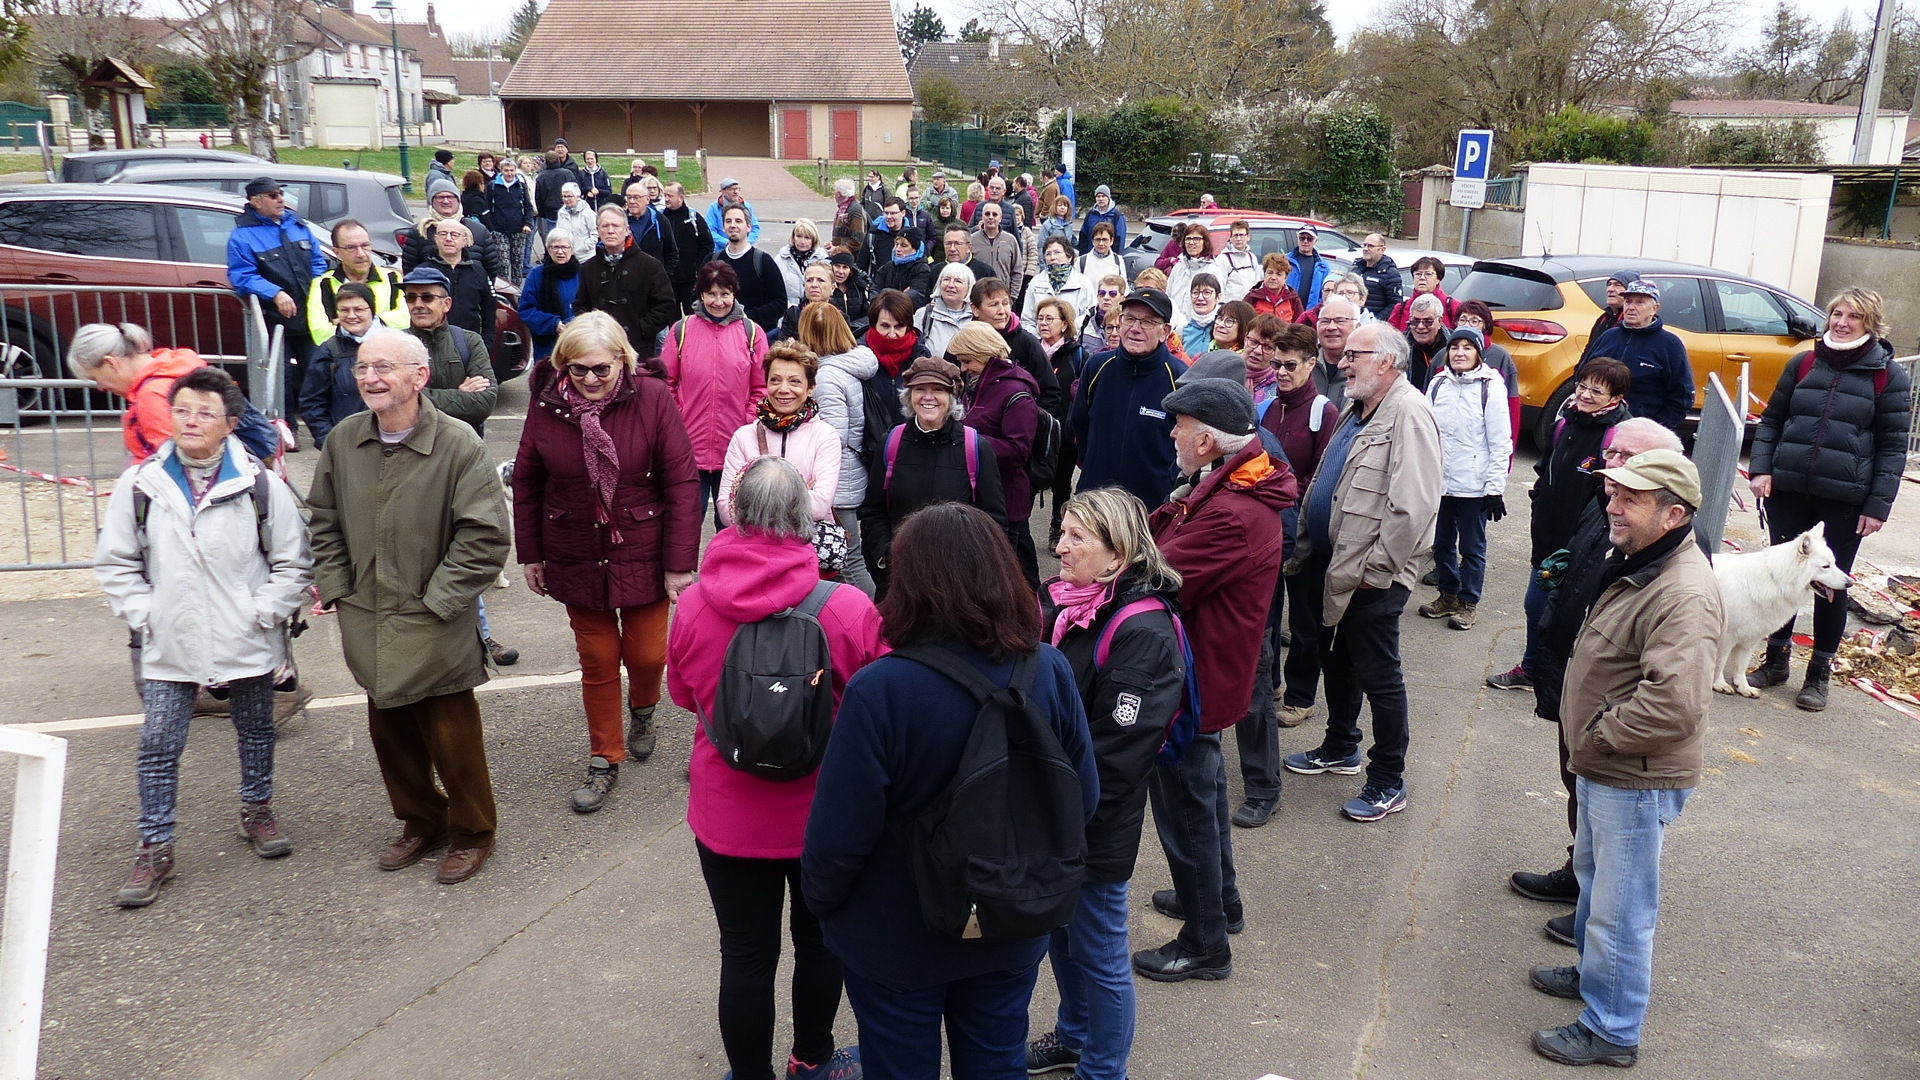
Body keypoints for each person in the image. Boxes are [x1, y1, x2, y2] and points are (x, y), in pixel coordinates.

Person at [801, 502, 1098, 1080]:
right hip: (1011, 915)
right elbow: (1082, 798)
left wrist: (826, 907)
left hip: (896, 935)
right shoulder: (1049, 671)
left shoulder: (880, 691)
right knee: (996, 1062)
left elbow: (839, 839)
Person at [668, 455, 880, 1080]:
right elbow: (874, 704)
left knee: (745, 955)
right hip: (823, 814)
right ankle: (810, 1058)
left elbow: (684, 696)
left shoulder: (694, 606)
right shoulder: (842, 607)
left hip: (728, 816)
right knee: (819, 943)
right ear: (804, 519)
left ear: (732, 511)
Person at [1529, 448, 1723, 1069]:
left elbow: (1674, 705)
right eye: (1612, 493)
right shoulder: (1641, 557)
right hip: (1607, 766)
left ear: (1673, 514)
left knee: (1621, 907)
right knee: (1593, 881)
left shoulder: (1684, 593)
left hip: (1631, 774)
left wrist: (1597, 735)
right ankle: (1594, 975)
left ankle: (1612, 1027)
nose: (1611, 506)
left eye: (1629, 499)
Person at [93, 366, 311, 907]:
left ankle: (256, 809)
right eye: (182, 409)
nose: (190, 421)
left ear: (230, 424)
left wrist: (264, 612)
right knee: (159, 744)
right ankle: (155, 844)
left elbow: (292, 560)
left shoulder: (260, 484)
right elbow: (117, 561)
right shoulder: (140, 483)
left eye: (204, 413)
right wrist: (145, 614)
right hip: (170, 640)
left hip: (247, 635)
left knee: (256, 728)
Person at [306, 328, 511, 885]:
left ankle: (472, 832)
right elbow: (322, 521)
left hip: (434, 615)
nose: (370, 378)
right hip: (368, 615)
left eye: (384, 368)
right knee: (389, 729)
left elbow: (486, 537)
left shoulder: (458, 444)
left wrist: (440, 600)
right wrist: (339, 589)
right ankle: (422, 821)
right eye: (363, 367)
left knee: (452, 731)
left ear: (419, 377)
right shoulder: (344, 441)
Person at [1137, 376, 1295, 981]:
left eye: (1179, 427)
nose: (1172, 435)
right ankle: (1216, 901)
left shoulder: (1232, 510)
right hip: (1203, 671)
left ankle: (1205, 941)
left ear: (1206, 441)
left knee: (1187, 806)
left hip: (1193, 677)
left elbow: (1159, 574)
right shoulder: (1224, 484)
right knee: (1199, 792)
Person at [1026, 488, 1186, 1080]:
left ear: (1118, 555)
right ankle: (1073, 1037)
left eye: (1075, 538)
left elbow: (1118, 756)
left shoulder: (1142, 631)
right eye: (1061, 532)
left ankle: (1102, 1070)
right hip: (1055, 809)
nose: (1059, 547)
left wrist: (1047, 798)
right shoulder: (1067, 604)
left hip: (1093, 820)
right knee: (1062, 939)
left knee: (1097, 951)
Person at [513, 312, 699, 811]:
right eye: (578, 370)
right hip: (573, 547)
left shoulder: (653, 397)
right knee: (597, 662)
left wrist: (679, 563)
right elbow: (528, 480)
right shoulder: (547, 403)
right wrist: (530, 553)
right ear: (562, 367)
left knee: (646, 655)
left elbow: (682, 481)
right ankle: (604, 758)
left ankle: (643, 709)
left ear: (622, 360)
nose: (590, 380)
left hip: (642, 542)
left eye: (601, 369)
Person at [1509, 419, 1683, 940]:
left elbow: (1672, 695)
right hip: (1575, 673)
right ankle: (1579, 877)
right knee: (1575, 786)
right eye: (1613, 453)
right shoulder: (1608, 500)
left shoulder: (1666, 551)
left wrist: (1603, 732)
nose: (1614, 465)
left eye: (1630, 456)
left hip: (1611, 708)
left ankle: (1595, 903)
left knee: (1601, 803)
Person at [1283, 322, 1441, 822]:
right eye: (1345, 354)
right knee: (1339, 660)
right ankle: (1339, 746)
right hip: (1336, 565)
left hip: (1373, 574)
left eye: (1355, 354)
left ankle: (1388, 779)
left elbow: (1413, 506)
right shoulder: (1360, 406)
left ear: (1387, 361)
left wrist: (1378, 570)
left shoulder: (1409, 413)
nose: (1343, 362)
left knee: (1379, 675)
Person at [1748, 286, 1910, 710]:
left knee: (1832, 586)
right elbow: (1772, 421)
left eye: (1852, 317)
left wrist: (1878, 506)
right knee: (1782, 578)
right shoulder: (1803, 362)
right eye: (1836, 314)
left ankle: (1818, 674)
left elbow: (1894, 448)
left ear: (1870, 323)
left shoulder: (1888, 376)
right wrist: (1762, 468)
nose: (1840, 322)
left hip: (1845, 500)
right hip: (1789, 492)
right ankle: (1776, 661)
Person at [1486, 357, 1631, 693]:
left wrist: (1590, 540)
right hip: (1548, 536)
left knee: (1566, 613)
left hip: (1584, 545)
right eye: (1582, 386)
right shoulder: (1564, 423)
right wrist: (1539, 503)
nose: (1585, 394)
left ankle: (1565, 677)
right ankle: (1535, 670)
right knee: (1536, 605)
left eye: (1597, 390)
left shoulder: (1616, 438)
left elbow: (1612, 497)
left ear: (1616, 398)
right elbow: (1544, 469)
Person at [1252, 317, 1340, 745]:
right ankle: (1269, 683)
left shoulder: (1325, 412)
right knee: (1265, 614)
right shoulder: (1268, 407)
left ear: (1311, 363)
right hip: (1269, 529)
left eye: (1290, 365)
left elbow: (1324, 475)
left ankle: (1301, 695)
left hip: (1304, 532)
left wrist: (1282, 494)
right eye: (1277, 364)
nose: (1282, 372)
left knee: (1304, 621)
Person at [857, 356, 1007, 593]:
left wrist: (971, 566)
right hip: (901, 580)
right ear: (909, 396)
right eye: (920, 389)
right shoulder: (891, 443)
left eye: (938, 389)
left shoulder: (975, 447)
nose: (928, 397)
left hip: (959, 583)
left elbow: (994, 519)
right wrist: (887, 556)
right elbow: (873, 510)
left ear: (951, 397)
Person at [1416, 327, 1512, 632]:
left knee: (1472, 547)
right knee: (1441, 543)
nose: (1459, 352)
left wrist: (1494, 489)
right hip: (1440, 483)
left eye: (1467, 348)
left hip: (1474, 485)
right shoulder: (1438, 383)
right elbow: (1425, 431)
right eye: (1454, 347)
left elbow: (1500, 441)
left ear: (1479, 354)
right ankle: (1449, 593)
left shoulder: (1491, 387)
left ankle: (1469, 602)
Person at [66, 322, 267, 465]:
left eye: (95, 378)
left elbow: (176, 463)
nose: (100, 387)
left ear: (111, 363)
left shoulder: (151, 395)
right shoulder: (176, 364)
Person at [663, 260, 770, 522]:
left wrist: (745, 421)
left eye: (725, 294)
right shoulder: (681, 331)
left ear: (734, 294)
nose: (718, 301)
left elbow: (762, 388)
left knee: (732, 523)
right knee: (685, 522)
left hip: (735, 448)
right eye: (711, 294)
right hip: (688, 448)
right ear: (701, 295)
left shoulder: (753, 333)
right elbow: (664, 384)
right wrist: (679, 419)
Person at [227, 175, 328, 432]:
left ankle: (323, 428)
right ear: (256, 201)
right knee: (279, 377)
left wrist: (318, 290)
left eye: (280, 193)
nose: (280, 199)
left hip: (309, 315)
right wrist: (276, 293)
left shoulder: (297, 225)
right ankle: (285, 430)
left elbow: (318, 262)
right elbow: (242, 277)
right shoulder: (243, 237)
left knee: (318, 371)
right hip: (274, 318)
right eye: (273, 196)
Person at [1070, 287, 1187, 507]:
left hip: (1151, 508)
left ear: (1166, 331)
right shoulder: (1096, 367)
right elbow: (1079, 425)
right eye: (1129, 318)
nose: (1135, 328)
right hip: (1095, 501)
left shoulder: (1180, 379)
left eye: (1148, 322)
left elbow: (1185, 447)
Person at [950, 322, 1043, 585]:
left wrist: (968, 440)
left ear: (983, 353)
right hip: (987, 496)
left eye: (967, 360)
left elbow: (1018, 451)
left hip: (1007, 501)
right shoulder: (984, 384)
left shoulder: (1015, 392)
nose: (963, 368)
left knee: (1014, 577)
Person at [801, 302, 882, 596]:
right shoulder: (850, 366)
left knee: (847, 560)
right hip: (850, 474)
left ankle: (871, 623)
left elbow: (833, 437)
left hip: (836, 482)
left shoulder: (826, 376)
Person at [717, 341, 841, 528]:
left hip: (805, 549)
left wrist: (754, 498)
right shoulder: (744, 436)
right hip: (753, 549)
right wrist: (801, 493)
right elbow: (727, 510)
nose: (783, 389)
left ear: (810, 387)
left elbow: (819, 506)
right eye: (775, 380)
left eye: (795, 381)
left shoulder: (825, 436)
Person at [399, 266, 497, 437]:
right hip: (410, 444)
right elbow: (396, 400)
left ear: (446, 304)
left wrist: (418, 399)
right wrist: (460, 395)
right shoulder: (395, 344)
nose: (418, 305)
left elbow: (484, 402)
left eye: (427, 297)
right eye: (411, 298)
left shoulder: (469, 341)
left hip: (461, 445)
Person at [1585, 279, 1693, 432]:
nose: (1631, 308)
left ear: (1654, 308)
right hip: (1593, 426)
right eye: (1628, 302)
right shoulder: (1608, 336)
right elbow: (1582, 376)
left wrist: (1654, 429)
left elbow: (1682, 397)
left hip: (1637, 433)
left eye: (1640, 302)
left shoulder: (1670, 345)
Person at [575, 205, 679, 359]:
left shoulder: (649, 265)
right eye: (605, 226)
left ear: (626, 229)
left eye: (616, 226)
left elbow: (666, 305)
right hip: (600, 348)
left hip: (638, 348)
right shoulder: (588, 268)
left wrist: (642, 329)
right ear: (598, 230)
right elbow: (580, 305)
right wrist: (591, 331)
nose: (610, 230)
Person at [301, 282, 380, 448]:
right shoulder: (328, 351)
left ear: (372, 311)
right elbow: (312, 403)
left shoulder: (394, 343)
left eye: (358, 309)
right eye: (344, 310)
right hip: (349, 445)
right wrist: (330, 442)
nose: (351, 316)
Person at [306, 220, 408, 347]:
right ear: (337, 252)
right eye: (351, 248)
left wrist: (349, 324)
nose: (360, 254)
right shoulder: (322, 284)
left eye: (365, 245)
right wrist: (382, 322)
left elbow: (405, 319)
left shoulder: (392, 277)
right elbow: (320, 333)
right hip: (343, 360)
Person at [971, 277, 1064, 416]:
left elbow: (1051, 393)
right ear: (975, 309)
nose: (1002, 311)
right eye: (993, 305)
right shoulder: (966, 340)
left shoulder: (1026, 342)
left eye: (1005, 303)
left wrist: (1025, 421)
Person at [403, 177, 505, 280]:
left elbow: (491, 268)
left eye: (450, 197)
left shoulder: (479, 231)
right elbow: (410, 270)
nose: (446, 201)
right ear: (432, 201)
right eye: (440, 197)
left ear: (458, 200)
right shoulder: (420, 232)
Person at [1454, 299, 1522, 447]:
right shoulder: (1444, 355)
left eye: (1474, 321)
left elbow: (1511, 408)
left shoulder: (1500, 357)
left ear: (1485, 325)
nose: (1467, 325)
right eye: (1463, 319)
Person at [713, 204, 789, 332]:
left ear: (749, 227)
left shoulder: (763, 261)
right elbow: (697, 298)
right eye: (728, 221)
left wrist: (746, 318)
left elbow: (780, 303)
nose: (732, 225)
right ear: (723, 227)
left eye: (738, 221)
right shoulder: (712, 261)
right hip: (717, 332)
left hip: (755, 336)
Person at [421, 219, 493, 347]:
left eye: (455, 235)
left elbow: (489, 311)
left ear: (464, 241)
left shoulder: (478, 271)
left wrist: (486, 345)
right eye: (443, 234)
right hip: (433, 345)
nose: (448, 239)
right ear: (436, 239)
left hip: (471, 345)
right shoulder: (423, 273)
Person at [518, 230, 583, 361]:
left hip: (578, 343)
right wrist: (554, 324)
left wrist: (573, 324)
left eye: (564, 247)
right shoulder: (536, 275)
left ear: (572, 249)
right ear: (548, 249)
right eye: (555, 247)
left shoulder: (583, 274)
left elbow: (591, 306)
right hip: (547, 347)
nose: (560, 252)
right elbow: (526, 310)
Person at [662, 183, 714, 314]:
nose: (666, 199)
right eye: (665, 195)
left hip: (690, 279)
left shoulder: (693, 217)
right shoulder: (660, 218)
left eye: (670, 196)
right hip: (668, 279)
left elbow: (708, 244)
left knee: (693, 316)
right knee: (671, 317)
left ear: (681, 197)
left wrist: (697, 266)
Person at [1023, 235, 1094, 327]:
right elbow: (1027, 320)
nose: (1052, 257)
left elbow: (1090, 316)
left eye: (1057, 252)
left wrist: (1069, 333)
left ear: (1069, 257)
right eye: (1048, 254)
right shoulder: (1036, 283)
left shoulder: (1083, 282)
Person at [487, 155, 537, 285]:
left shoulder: (521, 186)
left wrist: (527, 224)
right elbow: (486, 208)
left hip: (518, 229)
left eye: (512, 170)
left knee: (517, 262)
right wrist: (491, 227)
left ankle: (517, 290)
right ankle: (504, 290)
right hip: (499, 230)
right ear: (501, 170)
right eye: (506, 170)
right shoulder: (493, 186)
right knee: (503, 262)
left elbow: (528, 207)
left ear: (515, 171)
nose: (509, 173)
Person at [918, 261, 976, 357]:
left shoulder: (977, 317)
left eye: (958, 281)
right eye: (946, 279)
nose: (951, 285)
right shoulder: (924, 314)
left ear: (969, 287)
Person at [623, 184, 679, 282]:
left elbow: (672, 252)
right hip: (625, 281)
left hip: (654, 281)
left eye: (636, 197)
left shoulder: (659, 220)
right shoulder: (619, 221)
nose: (632, 201)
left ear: (647, 199)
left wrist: (664, 277)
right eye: (629, 197)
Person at [1387, 257, 1460, 331]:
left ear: (1438, 278)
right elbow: (1391, 336)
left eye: (1428, 274)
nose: (1422, 278)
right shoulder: (1401, 308)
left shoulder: (1452, 306)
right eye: (1418, 274)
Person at [1164, 225, 1216, 328]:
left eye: (1196, 239)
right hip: (1174, 327)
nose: (1191, 243)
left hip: (1199, 328)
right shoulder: (1178, 267)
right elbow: (1168, 296)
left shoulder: (1213, 270)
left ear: (1205, 242)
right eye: (1188, 239)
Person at [1578, 270, 1635, 363]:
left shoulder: (1631, 321)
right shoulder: (1604, 318)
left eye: (1617, 285)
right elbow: (1590, 349)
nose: (1610, 289)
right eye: (1609, 284)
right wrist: (1579, 373)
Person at [970, 202, 1023, 298]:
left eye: (994, 214)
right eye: (987, 214)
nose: (991, 217)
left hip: (1003, 296)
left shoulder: (1010, 240)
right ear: (982, 217)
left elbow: (1017, 270)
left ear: (1000, 218)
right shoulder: (972, 240)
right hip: (979, 297)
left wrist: (1013, 296)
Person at [870, 226, 932, 307]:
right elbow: (874, 291)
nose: (897, 249)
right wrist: (901, 295)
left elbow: (917, 297)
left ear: (915, 248)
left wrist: (884, 293)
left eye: (904, 245)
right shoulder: (887, 267)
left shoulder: (922, 269)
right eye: (896, 244)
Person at [779, 261, 839, 342]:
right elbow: (784, 349)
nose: (814, 285)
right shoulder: (793, 314)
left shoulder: (840, 317)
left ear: (832, 288)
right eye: (809, 280)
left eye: (820, 280)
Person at [1403, 293, 1450, 392]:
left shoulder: (1454, 345)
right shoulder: (1399, 345)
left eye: (1428, 321)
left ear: (1440, 321)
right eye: (1415, 321)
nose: (1420, 326)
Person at [1350, 234, 1402, 321]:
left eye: (1370, 246)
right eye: (1365, 245)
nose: (1366, 249)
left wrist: (1375, 321)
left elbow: (1395, 305)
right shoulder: (1356, 269)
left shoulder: (1390, 274)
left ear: (1382, 249)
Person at [777, 219, 825, 306]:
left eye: (807, 237)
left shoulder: (822, 258)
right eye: (799, 236)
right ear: (793, 237)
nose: (802, 242)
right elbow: (775, 290)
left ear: (813, 240)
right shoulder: (780, 259)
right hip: (787, 311)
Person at [1244, 253, 1303, 323]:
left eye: (1279, 274)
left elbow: (1300, 327)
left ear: (1286, 277)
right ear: (1264, 274)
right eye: (1270, 273)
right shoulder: (1252, 297)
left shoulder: (1293, 299)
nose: (1273, 278)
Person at [706, 178, 761, 251]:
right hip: (720, 251)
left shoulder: (746, 206)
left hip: (743, 250)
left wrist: (746, 242)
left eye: (737, 189)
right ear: (723, 192)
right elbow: (710, 231)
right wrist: (727, 243)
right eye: (731, 189)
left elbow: (755, 227)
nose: (735, 192)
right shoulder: (714, 208)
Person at [1212, 219, 1261, 301]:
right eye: (1235, 235)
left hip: (1250, 306)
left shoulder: (1252, 257)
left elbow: (1257, 285)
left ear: (1248, 237)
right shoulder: (1223, 259)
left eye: (1241, 235)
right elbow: (1219, 288)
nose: (1238, 239)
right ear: (1230, 238)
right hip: (1231, 308)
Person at [826, 250, 872, 334]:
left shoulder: (858, 288)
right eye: (837, 266)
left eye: (845, 267)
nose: (840, 271)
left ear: (850, 270)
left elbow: (867, 315)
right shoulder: (825, 288)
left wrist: (853, 327)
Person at [1176, 273, 1221, 357]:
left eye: (1207, 292)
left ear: (1218, 297)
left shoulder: (1223, 331)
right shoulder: (1180, 332)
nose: (1200, 298)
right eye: (1195, 292)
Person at [1284, 227, 1330, 306]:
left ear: (1315, 241)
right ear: (1298, 239)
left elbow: (1325, 293)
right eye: (1302, 238)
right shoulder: (1285, 261)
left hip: (1310, 313)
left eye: (1309, 239)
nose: (1305, 241)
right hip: (1287, 309)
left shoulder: (1323, 266)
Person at [1075, 222, 1125, 287]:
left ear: (1111, 240)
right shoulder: (1081, 261)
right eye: (1097, 239)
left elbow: (1124, 288)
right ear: (1092, 241)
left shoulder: (1118, 261)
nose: (1101, 243)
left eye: (1105, 240)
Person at [554, 182, 598, 255]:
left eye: (569, 196)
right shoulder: (561, 213)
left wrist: (584, 247)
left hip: (585, 257)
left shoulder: (587, 213)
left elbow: (595, 234)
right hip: (567, 256)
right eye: (564, 196)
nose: (566, 199)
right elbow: (559, 233)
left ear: (577, 197)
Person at [1079, 185, 1126, 254]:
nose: (1101, 199)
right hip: (1091, 256)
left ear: (1108, 198)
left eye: (1103, 196)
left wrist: (1116, 256)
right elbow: (1083, 235)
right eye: (1098, 196)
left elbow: (1120, 239)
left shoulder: (1117, 216)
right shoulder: (1090, 214)